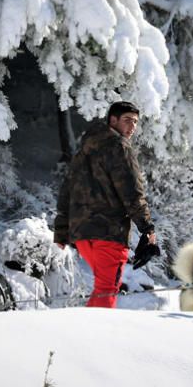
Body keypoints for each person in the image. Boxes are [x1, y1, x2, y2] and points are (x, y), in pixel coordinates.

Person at [53, 101, 157, 308]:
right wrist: (148, 229)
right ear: (113, 120)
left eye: (135, 122)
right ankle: (91, 337)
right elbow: (132, 193)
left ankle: (88, 334)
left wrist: (62, 231)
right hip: (109, 233)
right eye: (127, 120)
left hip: (82, 235)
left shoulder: (83, 151)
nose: (132, 127)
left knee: (104, 289)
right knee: (106, 291)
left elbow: (66, 192)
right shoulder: (120, 147)